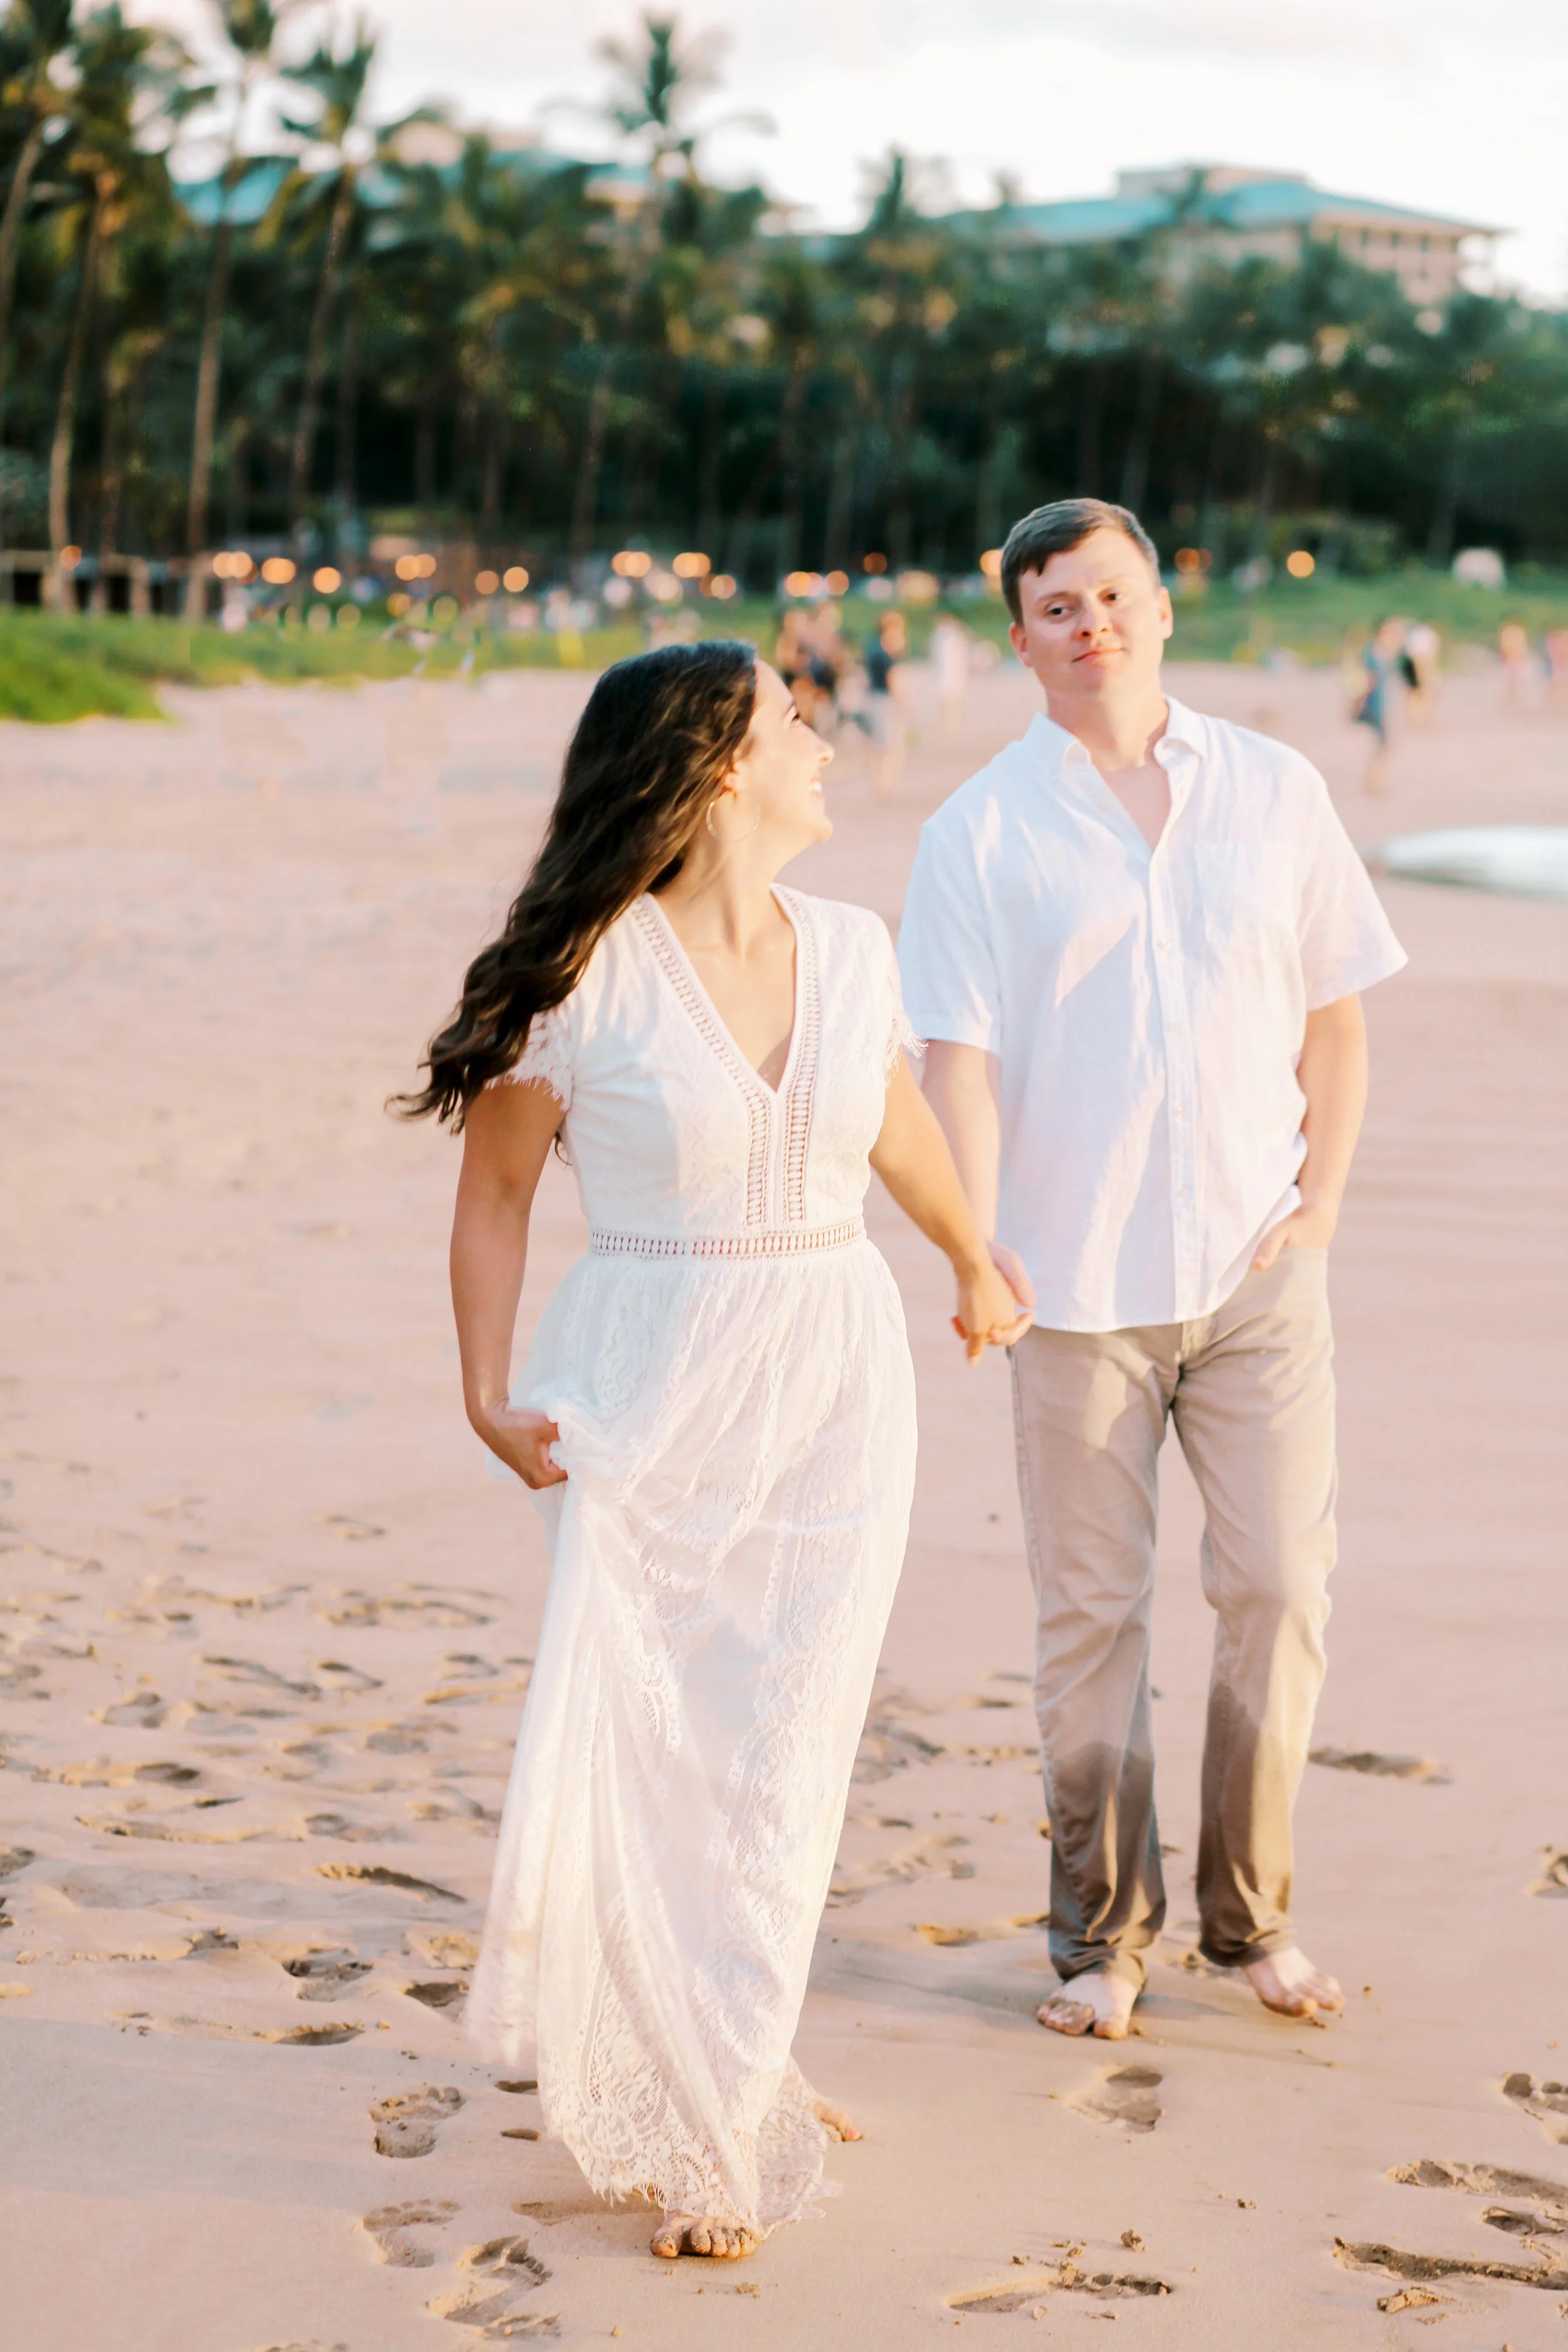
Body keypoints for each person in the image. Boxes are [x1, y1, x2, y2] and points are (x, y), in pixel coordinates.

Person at [400, 642, 1027, 2260]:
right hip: (648, 1389)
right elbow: (495, 1194)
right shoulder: (582, 972)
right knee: (659, 1737)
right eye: (791, 720)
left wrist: (970, 1256)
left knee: (790, 1735)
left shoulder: (850, 941)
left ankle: (737, 2047)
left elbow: (890, 1120)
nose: (823, 740)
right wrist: (483, 1387)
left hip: (831, 1380)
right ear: (717, 765)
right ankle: (699, 2111)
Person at [898, 499, 1406, 2043]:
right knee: (1091, 1617)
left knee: (1277, 1583)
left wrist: (1319, 1206)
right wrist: (977, 1244)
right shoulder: (978, 829)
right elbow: (959, 1063)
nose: (1090, 623)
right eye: (1056, 605)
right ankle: (1098, 1938)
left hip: (1257, 1273)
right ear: (1021, 637)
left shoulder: (1272, 786)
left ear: (1160, 606)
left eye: (1111, 593)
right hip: (1072, 1287)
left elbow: (1337, 1012)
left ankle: (1250, 1914)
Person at [1353, 615, 1406, 793]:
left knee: (1386, 745)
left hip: (1389, 703)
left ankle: (1377, 780)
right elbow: (1367, 680)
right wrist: (1358, 703)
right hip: (1379, 704)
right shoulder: (1374, 652)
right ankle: (1375, 781)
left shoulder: (1389, 652)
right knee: (1384, 744)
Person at [863, 609, 910, 798]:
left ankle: (880, 782)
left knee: (879, 743)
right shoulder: (886, 652)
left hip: (875, 698)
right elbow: (894, 679)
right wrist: (904, 703)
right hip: (885, 700)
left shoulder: (873, 648)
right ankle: (884, 784)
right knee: (889, 745)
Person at [930, 611, 972, 734]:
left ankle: (953, 720)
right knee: (946, 695)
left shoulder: (953, 636)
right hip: (945, 670)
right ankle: (946, 720)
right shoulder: (941, 637)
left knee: (953, 696)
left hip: (953, 669)